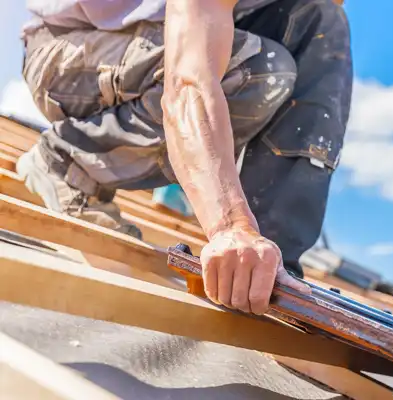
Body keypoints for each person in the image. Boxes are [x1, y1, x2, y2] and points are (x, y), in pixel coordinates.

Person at [15, 0, 352, 315]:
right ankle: (70, 160)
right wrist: (230, 226)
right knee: (262, 71)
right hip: (68, 55)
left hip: (154, 47)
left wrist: (257, 250)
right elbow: (189, 84)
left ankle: (264, 265)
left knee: (321, 22)